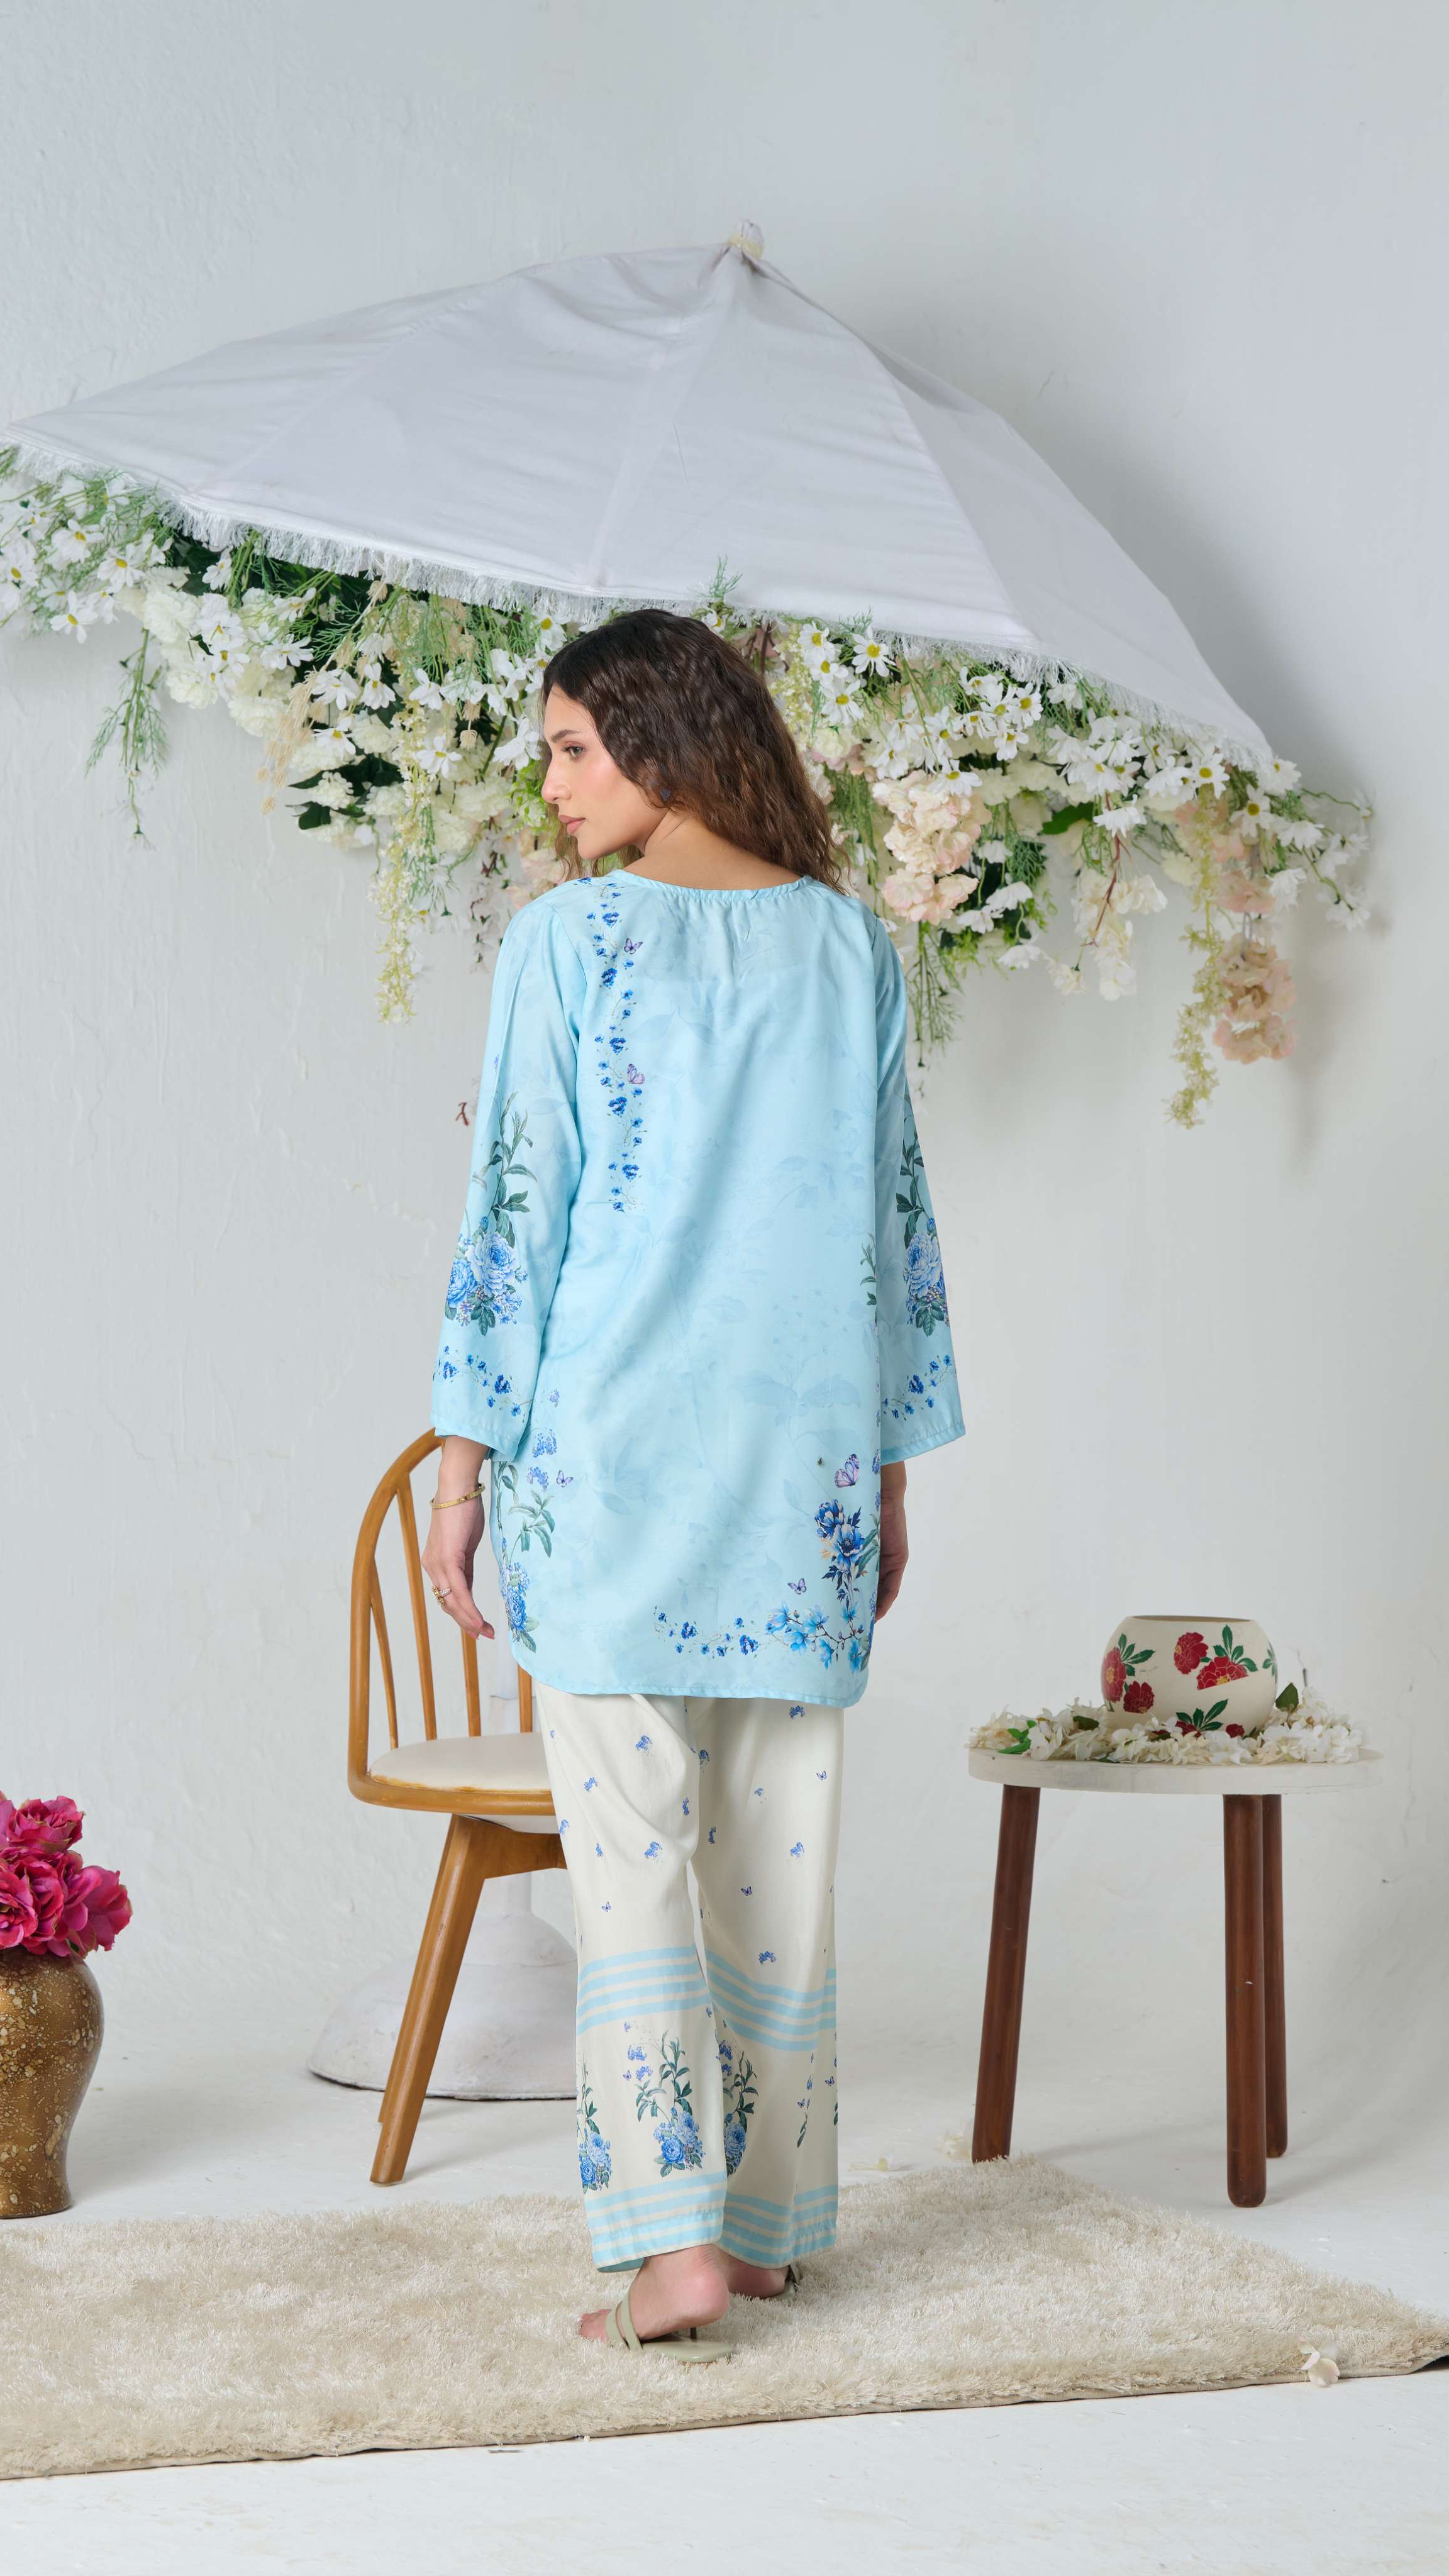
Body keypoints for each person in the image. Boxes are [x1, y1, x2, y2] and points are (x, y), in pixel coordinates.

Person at [422, 607, 963, 2357]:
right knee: (776, 1852)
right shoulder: (849, 946)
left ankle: (672, 2248)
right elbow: (894, 1230)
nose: (554, 784)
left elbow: (516, 1209)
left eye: (575, 746)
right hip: (801, 1473)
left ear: (662, 737)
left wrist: (461, 1460)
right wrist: (888, 1470)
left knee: (631, 1852)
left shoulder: (567, 944)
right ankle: (767, 2224)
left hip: (611, 1460)